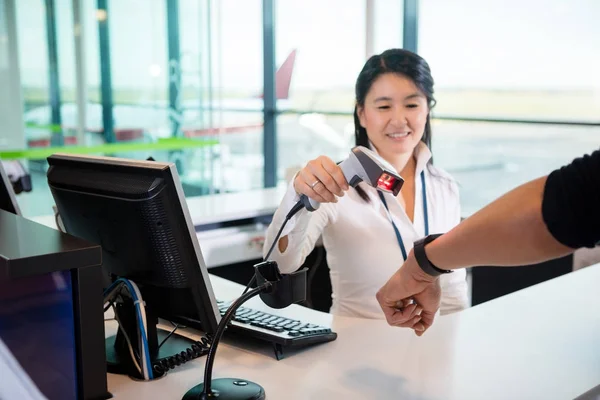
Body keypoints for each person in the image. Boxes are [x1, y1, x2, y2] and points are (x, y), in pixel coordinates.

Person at [263, 48, 468, 319]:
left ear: (427, 109)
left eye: (412, 104)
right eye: (383, 106)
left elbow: (454, 295)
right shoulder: (334, 185)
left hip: (435, 348)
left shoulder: (445, 186)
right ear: (361, 114)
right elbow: (279, 269)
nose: (398, 120)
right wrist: (298, 196)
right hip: (356, 351)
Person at [376, 148, 600, 335]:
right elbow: (571, 200)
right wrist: (424, 264)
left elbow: (561, 207)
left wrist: (423, 264)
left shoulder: (443, 183)